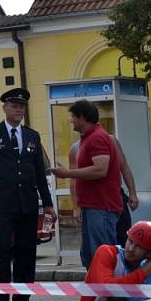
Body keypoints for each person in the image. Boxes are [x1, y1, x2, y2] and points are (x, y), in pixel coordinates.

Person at [0, 88, 55, 301]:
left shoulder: (32, 136)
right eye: (13, 106)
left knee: (26, 252)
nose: (18, 109)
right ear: (5, 108)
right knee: (1, 250)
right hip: (2, 202)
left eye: (21, 106)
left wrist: (48, 203)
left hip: (27, 203)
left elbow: (40, 173)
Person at [51, 99, 123, 268]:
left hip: (102, 207)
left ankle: (109, 293)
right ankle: (97, 292)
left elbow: (100, 170)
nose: (71, 120)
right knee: (91, 257)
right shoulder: (88, 139)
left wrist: (67, 173)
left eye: (73, 117)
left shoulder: (97, 138)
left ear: (83, 118)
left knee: (103, 257)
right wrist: (79, 205)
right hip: (93, 207)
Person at [70, 135, 139, 246]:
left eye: (74, 117)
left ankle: (123, 262)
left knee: (123, 238)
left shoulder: (111, 141)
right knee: (99, 243)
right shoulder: (75, 148)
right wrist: (76, 206)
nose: (72, 121)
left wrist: (132, 193)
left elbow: (124, 167)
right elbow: (74, 179)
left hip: (115, 197)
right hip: (92, 203)